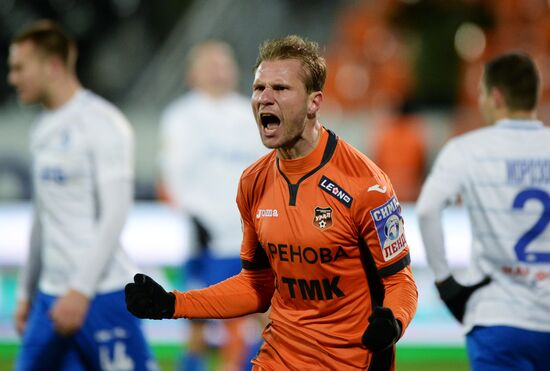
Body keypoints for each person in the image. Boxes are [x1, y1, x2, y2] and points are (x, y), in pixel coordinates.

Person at [127, 35, 418, 370]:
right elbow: (257, 285)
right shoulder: (253, 182)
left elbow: (400, 281)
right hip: (278, 359)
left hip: (350, 362)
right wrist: (171, 304)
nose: (264, 99)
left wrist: (393, 322)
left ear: (314, 102)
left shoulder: (366, 184)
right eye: (258, 88)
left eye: (280, 89)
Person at [8, 20, 157, 371]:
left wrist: (80, 290)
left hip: (100, 295)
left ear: (53, 66)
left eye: (19, 68)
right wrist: (26, 293)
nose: (12, 78)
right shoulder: (42, 128)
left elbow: (115, 214)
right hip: (49, 298)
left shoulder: (103, 123)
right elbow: (42, 220)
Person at [416, 51, 550, 370]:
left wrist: (445, 282)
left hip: (497, 317)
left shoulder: (468, 149)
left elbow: (427, 209)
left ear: (497, 96)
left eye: (480, 92)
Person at [157, 40, 267, 371]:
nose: (218, 71)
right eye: (210, 64)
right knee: (198, 324)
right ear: (192, 74)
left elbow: (267, 172)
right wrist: (192, 219)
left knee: (267, 318)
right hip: (202, 238)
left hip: (248, 236)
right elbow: (170, 178)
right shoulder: (179, 117)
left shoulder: (253, 112)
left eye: (224, 63)